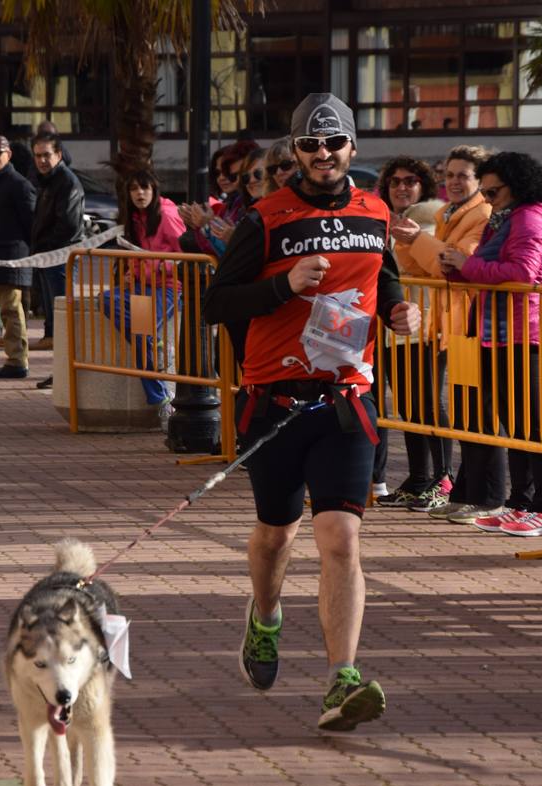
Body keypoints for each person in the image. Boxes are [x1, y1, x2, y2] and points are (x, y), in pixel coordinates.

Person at [203, 93, 420, 732]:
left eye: (334, 142)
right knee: (277, 532)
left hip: (344, 398)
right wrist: (284, 285)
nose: (323, 154)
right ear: (295, 152)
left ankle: (340, 679)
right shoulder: (266, 219)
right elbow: (216, 303)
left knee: (341, 537)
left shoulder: (375, 211)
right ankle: (266, 618)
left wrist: (400, 310)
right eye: (310, 144)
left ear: (352, 146)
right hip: (275, 398)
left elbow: (385, 279)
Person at [440, 151, 542, 538]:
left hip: (522, 331)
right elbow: (489, 268)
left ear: (517, 186)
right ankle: (520, 502)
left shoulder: (528, 218)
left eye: (493, 192)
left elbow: (523, 273)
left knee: (529, 423)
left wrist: (465, 265)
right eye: (486, 192)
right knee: (515, 422)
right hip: (498, 329)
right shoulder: (506, 217)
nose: (488, 199)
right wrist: (457, 270)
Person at [394, 145, 497, 524]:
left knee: (477, 411)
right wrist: (408, 243)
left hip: (472, 321)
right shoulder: (446, 213)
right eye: (449, 175)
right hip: (452, 324)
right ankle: (466, 492)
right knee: (464, 410)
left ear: (479, 180)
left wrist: (417, 241)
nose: (453, 182)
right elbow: (426, 267)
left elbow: (452, 264)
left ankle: (487, 496)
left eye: (463, 175)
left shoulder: (482, 214)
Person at [376, 155, 453, 511]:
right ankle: (418, 478)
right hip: (394, 328)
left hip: (426, 325)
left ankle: (443, 479)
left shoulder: (433, 219)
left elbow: (438, 266)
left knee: (428, 402)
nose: (402, 187)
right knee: (407, 405)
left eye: (410, 181)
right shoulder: (382, 221)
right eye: (395, 181)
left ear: (424, 185)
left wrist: (414, 238)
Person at [112, 169, 186, 428]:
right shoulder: (134, 218)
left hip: (168, 287)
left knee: (141, 333)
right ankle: (155, 342)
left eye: (144, 188)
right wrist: (133, 272)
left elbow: (186, 253)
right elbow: (138, 253)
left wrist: (155, 266)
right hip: (142, 287)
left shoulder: (166, 214)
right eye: (134, 189)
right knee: (108, 299)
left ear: (154, 191)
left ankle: (162, 400)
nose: (140, 193)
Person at [0, 134, 37, 379]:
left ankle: (17, 361)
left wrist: (25, 253)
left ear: (8, 155)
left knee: (11, 309)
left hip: (13, 257)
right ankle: (15, 358)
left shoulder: (18, 184)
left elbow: (31, 223)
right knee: (9, 309)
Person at [29, 131, 84, 378]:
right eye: (37, 155)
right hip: (47, 257)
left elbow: (69, 225)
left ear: (58, 155)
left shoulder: (66, 182)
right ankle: (59, 374)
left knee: (63, 318)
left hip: (60, 258)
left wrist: (47, 248)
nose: (42, 160)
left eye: (46, 155)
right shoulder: (47, 181)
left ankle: (66, 375)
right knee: (54, 318)